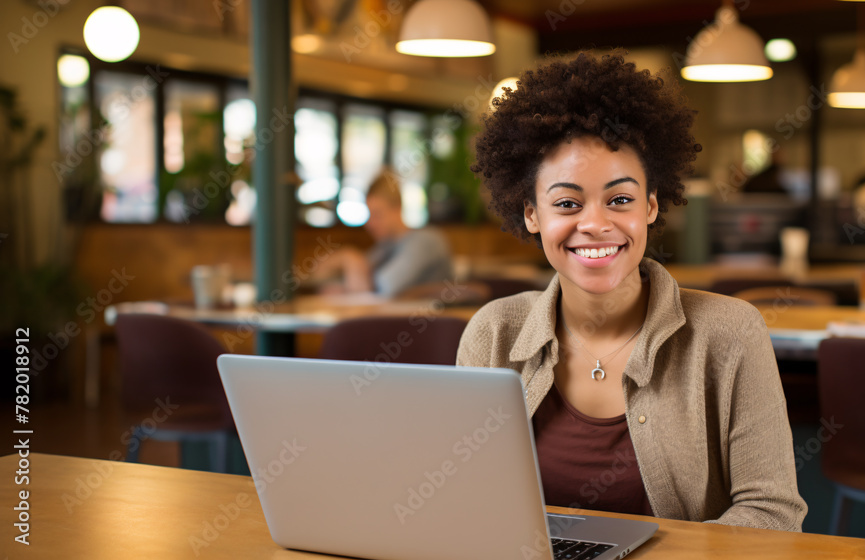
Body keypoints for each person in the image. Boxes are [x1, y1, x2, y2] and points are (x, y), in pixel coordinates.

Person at [457, 51, 806, 530]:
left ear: (651, 206)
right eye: (566, 202)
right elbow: (468, 502)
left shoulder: (730, 332)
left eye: (620, 199)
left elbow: (773, 512)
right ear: (532, 214)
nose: (596, 224)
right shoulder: (493, 334)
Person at [314, 169, 453, 297]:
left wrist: (351, 260)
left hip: (431, 322)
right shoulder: (386, 246)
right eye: (369, 215)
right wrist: (347, 260)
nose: (370, 223)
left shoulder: (426, 240)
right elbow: (347, 278)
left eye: (377, 214)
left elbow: (386, 286)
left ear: (397, 209)